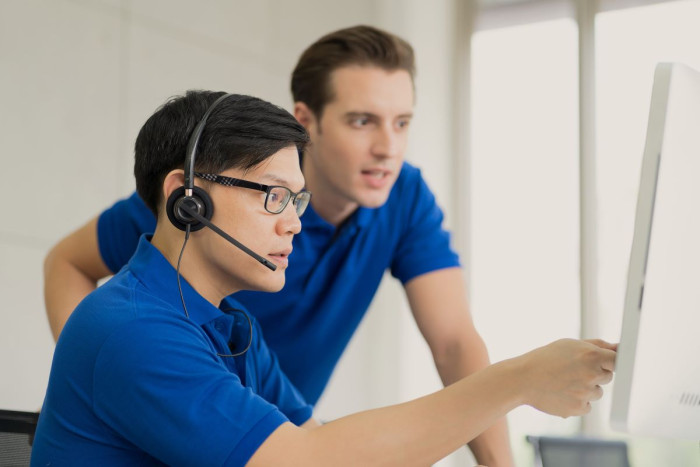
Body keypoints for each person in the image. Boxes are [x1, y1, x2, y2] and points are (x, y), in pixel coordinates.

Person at [33, 90, 616, 466]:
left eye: (299, 199)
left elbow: (324, 441)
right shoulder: (134, 331)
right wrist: (514, 381)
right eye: (275, 197)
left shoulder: (229, 326)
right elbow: (307, 461)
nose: (294, 223)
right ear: (187, 198)